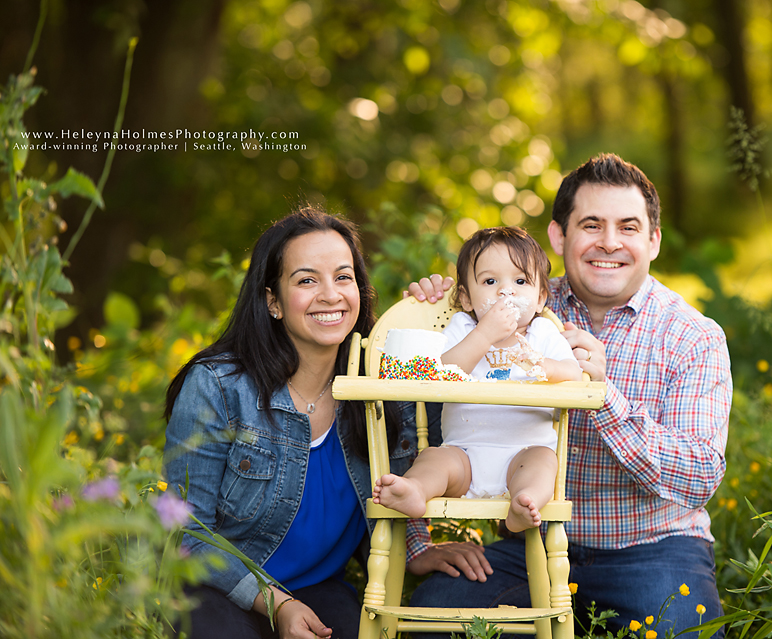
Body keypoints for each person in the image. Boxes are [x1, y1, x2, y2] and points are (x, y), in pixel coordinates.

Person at [406, 154, 732, 637]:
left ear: (653, 241)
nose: (610, 243)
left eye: (628, 227)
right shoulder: (507, 296)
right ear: (559, 237)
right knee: (433, 622)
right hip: (529, 539)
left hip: (651, 549)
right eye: (591, 225)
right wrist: (428, 316)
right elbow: (407, 406)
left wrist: (602, 399)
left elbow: (699, 478)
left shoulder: (693, 336)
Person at [162, 207, 492, 639]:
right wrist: (278, 605)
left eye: (343, 277)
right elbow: (186, 533)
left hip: (318, 588)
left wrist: (442, 319)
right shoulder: (219, 387)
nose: (330, 294)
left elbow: (448, 432)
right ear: (273, 301)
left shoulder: (382, 385)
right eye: (305, 280)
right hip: (220, 588)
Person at [373, 227, 582, 533]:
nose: (505, 291)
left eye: (520, 281)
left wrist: (542, 365)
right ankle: (417, 490)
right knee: (433, 458)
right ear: (466, 298)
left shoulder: (543, 334)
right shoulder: (462, 327)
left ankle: (525, 503)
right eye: (490, 281)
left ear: (540, 299)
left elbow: (574, 375)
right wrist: (484, 335)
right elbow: (439, 372)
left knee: (544, 462)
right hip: (464, 456)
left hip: (523, 453)